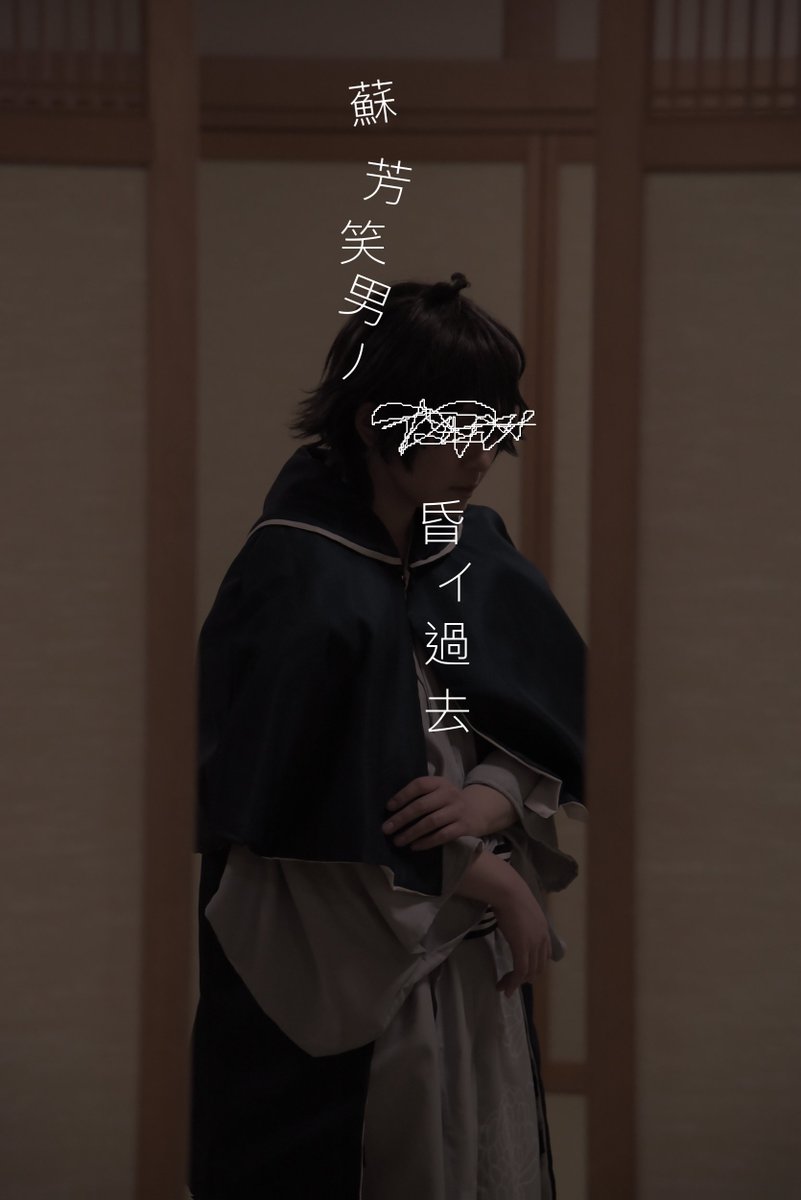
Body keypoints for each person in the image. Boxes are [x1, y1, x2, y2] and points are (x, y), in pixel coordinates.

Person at [188, 273, 587, 1199]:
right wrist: (487, 876)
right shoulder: (295, 572)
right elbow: (292, 798)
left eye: (491, 425)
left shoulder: (466, 547)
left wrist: (488, 800)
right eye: (457, 426)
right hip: (341, 953)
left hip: (464, 964)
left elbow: (529, 717)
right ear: (377, 422)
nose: (480, 454)